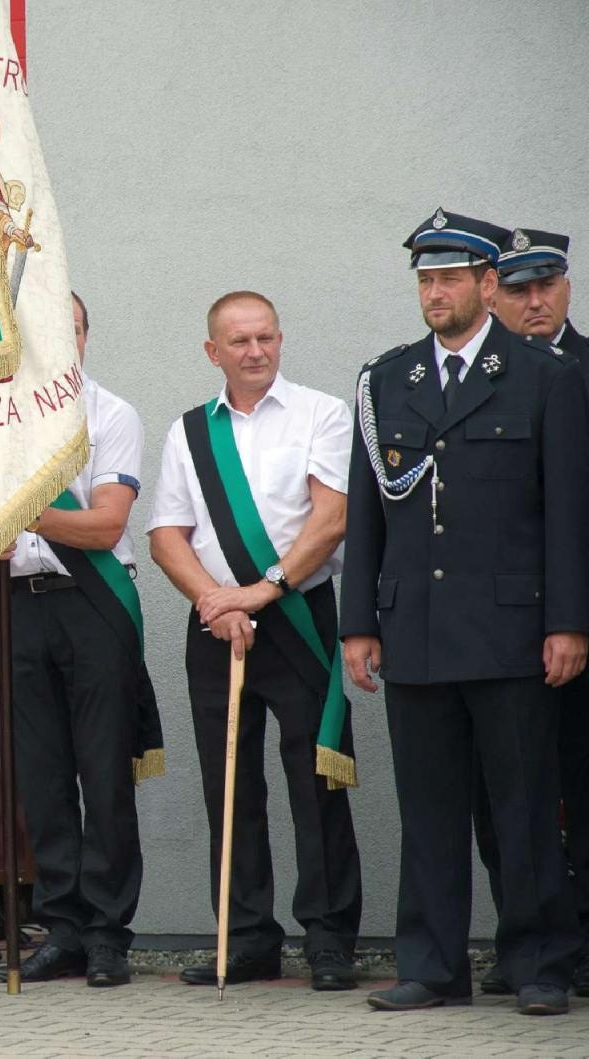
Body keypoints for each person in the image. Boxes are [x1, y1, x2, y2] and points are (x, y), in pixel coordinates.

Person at [342, 210, 589, 1016]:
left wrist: (569, 620)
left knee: (521, 808)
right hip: (414, 629)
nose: (435, 293)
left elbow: (565, 514)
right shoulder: (388, 380)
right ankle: (433, 964)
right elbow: (367, 513)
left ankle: (539, 962)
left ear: (488, 284)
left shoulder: (543, 376)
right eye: (425, 279)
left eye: (450, 278)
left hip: (513, 629)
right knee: (430, 811)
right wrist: (357, 624)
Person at [147, 291, 362, 992]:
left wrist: (263, 589)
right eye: (238, 340)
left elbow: (330, 520)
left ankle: (328, 938)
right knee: (229, 785)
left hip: (297, 614)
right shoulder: (189, 431)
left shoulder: (322, 413)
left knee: (317, 781)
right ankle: (243, 937)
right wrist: (215, 600)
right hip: (216, 626)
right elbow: (166, 536)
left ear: (280, 338)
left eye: (265, 336)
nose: (254, 350)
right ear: (213, 351)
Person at [0, 293, 156, 989]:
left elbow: (106, 526)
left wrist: (22, 504)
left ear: (85, 337)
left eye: (70, 330)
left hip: (90, 606)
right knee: (43, 777)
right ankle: (61, 926)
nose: (58, 343)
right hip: (17, 606)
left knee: (104, 773)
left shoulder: (111, 414)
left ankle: (108, 932)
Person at [486, 226, 589, 998]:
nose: (534, 301)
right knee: (515, 794)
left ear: (566, 286)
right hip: (513, 624)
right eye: (518, 288)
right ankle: (528, 940)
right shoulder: (491, 379)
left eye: (545, 285)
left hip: (581, 619)